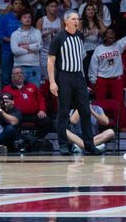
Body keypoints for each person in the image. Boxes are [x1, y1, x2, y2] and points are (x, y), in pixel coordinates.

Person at [46, 10, 103, 156]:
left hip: (79, 77)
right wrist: (52, 82)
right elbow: (50, 61)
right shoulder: (58, 38)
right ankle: (64, 145)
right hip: (64, 76)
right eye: (73, 19)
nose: (76, 21)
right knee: (63, 112)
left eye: (77, 19)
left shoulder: (79, 36)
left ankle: (89, 145)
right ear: (66, 21)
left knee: (85, 110)